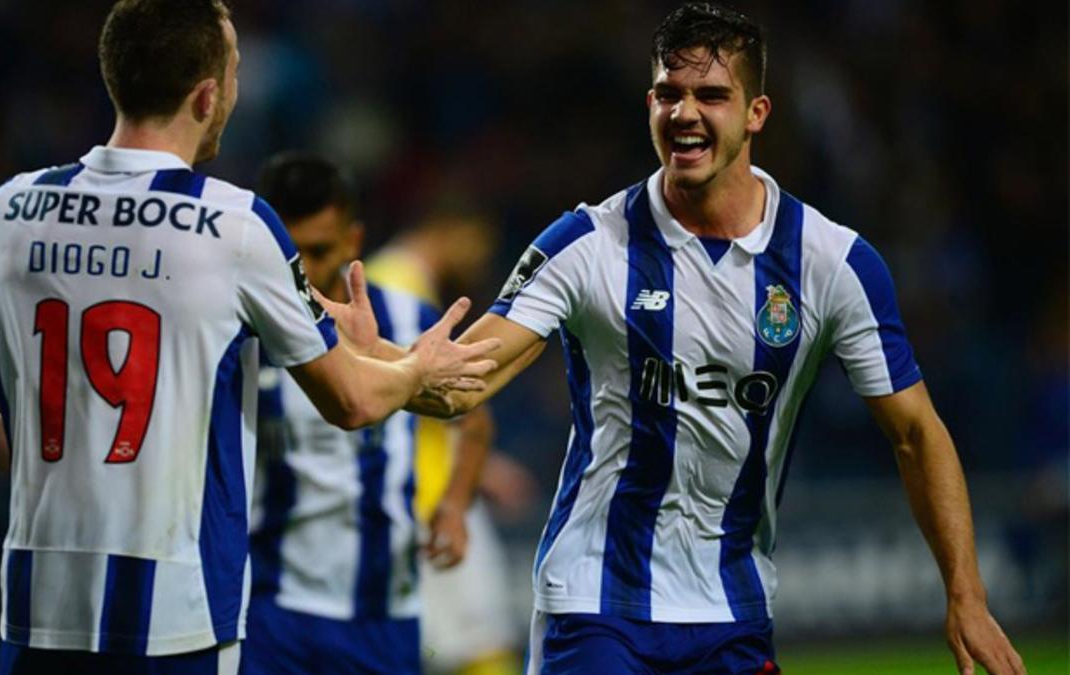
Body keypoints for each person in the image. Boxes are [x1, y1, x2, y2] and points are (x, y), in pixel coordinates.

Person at [327, 3, 1027, 674]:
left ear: (757, 114)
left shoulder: (833, 263)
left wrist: (965, 593)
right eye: (669, 92)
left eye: (711, 95)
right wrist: (365, 357)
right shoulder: (587, 244)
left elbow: (915, 431)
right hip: (597, 603)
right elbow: (466, 379)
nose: (685, 112)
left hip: (733, 608)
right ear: (650, 104)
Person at [0, 2, 497, 673]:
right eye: (235, 70)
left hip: (39, 605)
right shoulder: (234, 225)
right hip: (177, 616)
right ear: (208, 95)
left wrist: (29, 461)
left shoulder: (11, 208)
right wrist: (420, 366)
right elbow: (352, 401)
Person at [240, 152, 441, 674]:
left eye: (319, 250)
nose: (302, 272)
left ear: (352, 241)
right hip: (271, 604)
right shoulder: (240, 332)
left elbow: (471, 413)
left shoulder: (406, 318)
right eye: (290, 253)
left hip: (382, 610)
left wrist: (457, 505)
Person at [366, 209, 527, 675]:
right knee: (482, 643)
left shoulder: (394, 278)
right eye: (478, 242)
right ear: (447, 228)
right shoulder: (398, 286)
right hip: (431, 490)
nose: (482, 261)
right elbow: (423, 389)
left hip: (418, 486)